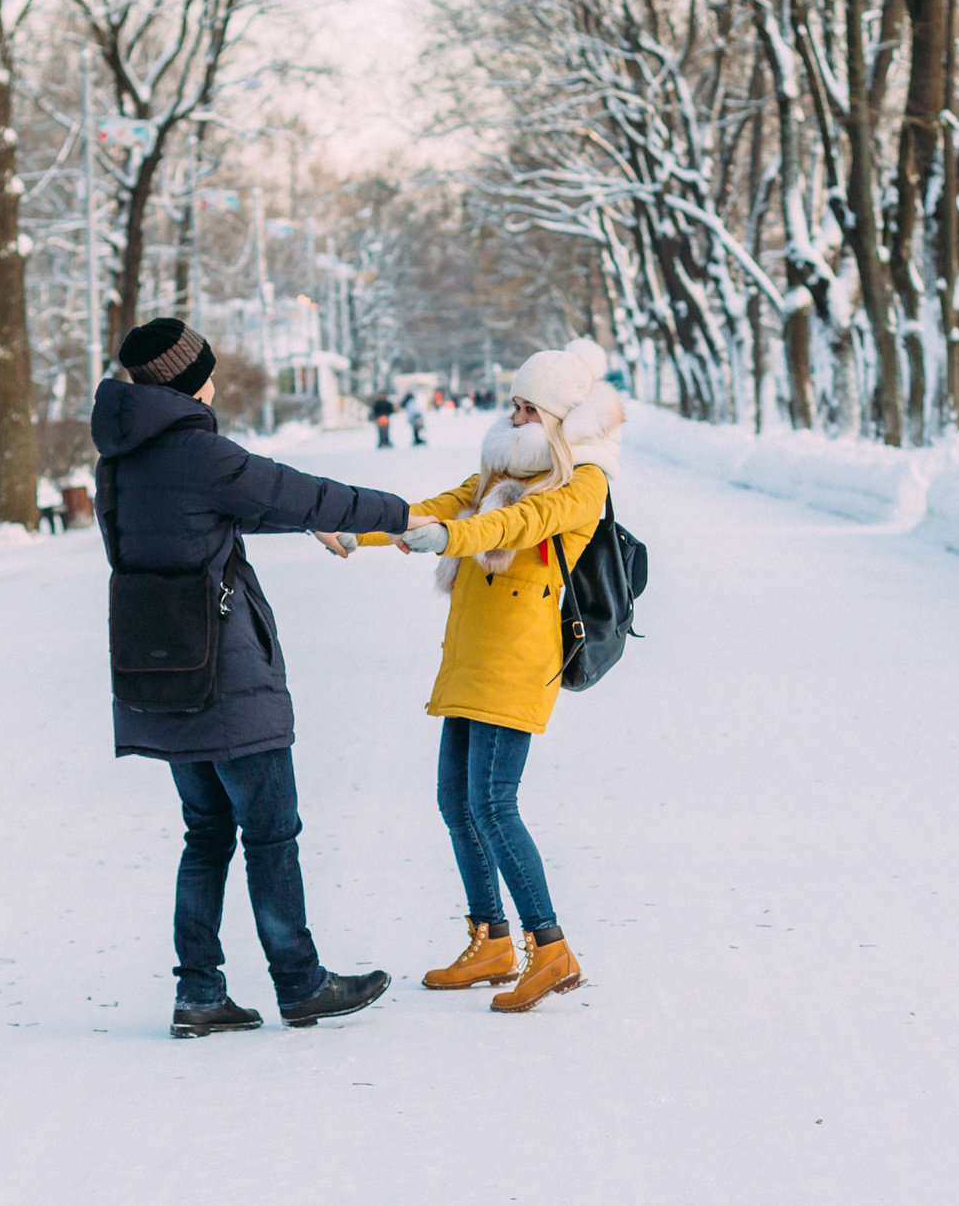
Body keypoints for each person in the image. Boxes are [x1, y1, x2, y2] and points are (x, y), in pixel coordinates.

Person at [94, 318, 409, 1039]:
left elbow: (204, 520)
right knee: (271, 831)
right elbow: (295, 489)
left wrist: (298, 524)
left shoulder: (120, 459)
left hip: (162, 671)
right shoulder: (199, 452)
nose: (216, 381)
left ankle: (199, 992)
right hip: (227, 674)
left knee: (205, 833)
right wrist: (395, 514)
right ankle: (300, 982)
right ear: (186, 380)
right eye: (208, 370)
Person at [319, 338, 621, 1014]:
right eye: (512, 405)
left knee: (493, 802)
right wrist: (352, 528)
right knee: (455, 800)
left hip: (519, 659)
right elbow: (435, 506)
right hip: (471, 653)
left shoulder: (583, 482)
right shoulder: (496, 469)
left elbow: (518, 521)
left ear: (556, 417)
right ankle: (491, 939)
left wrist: (452, 538)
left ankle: (551, 947)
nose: (511, 419)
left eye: (525, 408)